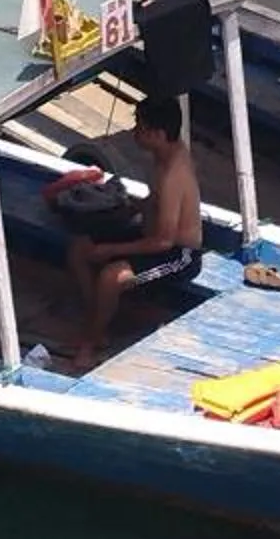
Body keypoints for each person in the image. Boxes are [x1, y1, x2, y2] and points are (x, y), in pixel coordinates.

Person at [55, 95, 204, 370]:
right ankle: (96, 325)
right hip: (149, 234)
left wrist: (111, 250)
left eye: (140, 127)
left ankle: (91, 341)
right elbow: (154, 203)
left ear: (158, 134)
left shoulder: (175, 174)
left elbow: (164, 241)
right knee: (80, 248)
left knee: (113, 277)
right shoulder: (164, 155)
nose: (135, 132)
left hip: (178, 254)